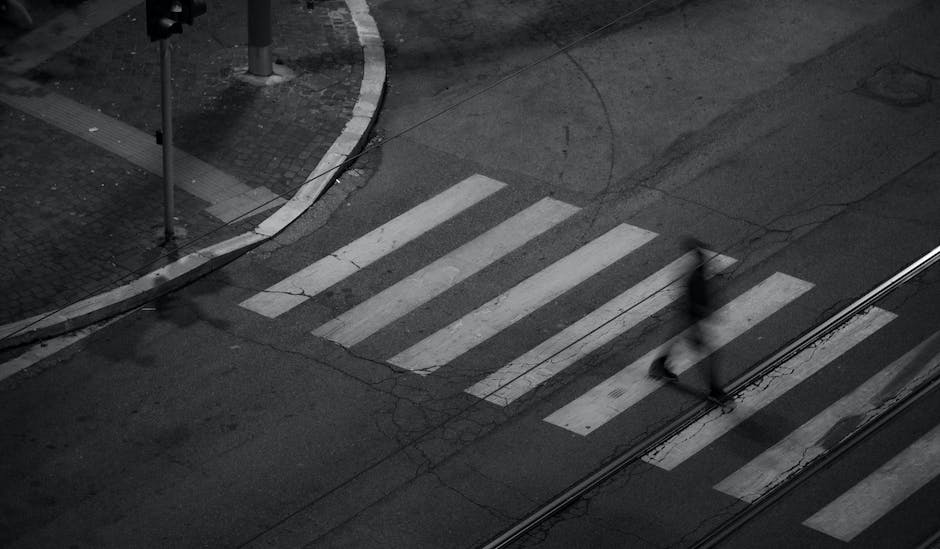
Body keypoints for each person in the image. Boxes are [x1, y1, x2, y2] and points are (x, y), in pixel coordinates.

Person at [649, 237, 729, 403]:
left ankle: (659, 365)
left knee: (679, 336)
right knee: (708, 354)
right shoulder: (695, 276)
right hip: (692, 317)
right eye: (701, 254)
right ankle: (714, 390)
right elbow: (696, 299)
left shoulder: (697, 268)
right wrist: (705, 312)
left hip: (689, 316)